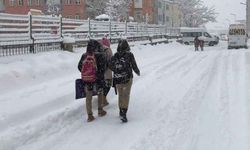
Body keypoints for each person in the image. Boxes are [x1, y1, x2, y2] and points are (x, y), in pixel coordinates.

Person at [109, 39, 140, 123]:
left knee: (120, 95)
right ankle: (124, 112)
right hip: (127, 78)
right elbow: (134, 65)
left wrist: (116, 70)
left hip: (118, 78)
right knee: (126, 95)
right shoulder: (129, 55)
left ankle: (120, 110)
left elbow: (110, 65)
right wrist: (137, 71)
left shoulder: (115, 55)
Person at [78, 39, 107, 122]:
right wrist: (98, 74)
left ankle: (90, 116)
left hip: (87, 80)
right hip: (98, 79)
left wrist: (87, 73)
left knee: (88, 97)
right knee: (100, 93)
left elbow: (79, 67)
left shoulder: (84, 55)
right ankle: (100, 110)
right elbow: (104, 68)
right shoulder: (100, 55)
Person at [101, 36, 113, 106]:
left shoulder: (97, 48)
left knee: (101, 86)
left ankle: (101, 98)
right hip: (107, 71)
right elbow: (112, 60)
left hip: (99, 72)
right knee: (108, 85)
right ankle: (104, 98)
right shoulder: (108, 49)